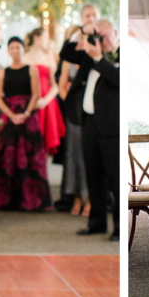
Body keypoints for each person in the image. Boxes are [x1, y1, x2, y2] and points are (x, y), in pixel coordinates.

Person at [62, 18, 120, 241]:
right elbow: (66, 53)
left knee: (114, 178)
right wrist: (80, 32)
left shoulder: (121, 54)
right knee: (93, 175)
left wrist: (98, 57)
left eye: (104, 36)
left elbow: (117, 78)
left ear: (115, 33)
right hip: (88, 123)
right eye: (98, 36)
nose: (101, 41)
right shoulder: (89, 53)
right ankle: (96, 223)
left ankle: (118, 228)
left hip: (111, 127)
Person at [0, 36, 50, 212]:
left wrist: (25, 113)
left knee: (30, 157)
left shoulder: (31, 69)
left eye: (18, 47)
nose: (15, 50)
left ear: (23, 49)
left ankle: (31, 200)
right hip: (9, 118)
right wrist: (10, 115)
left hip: (27, 118)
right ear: (8, 50)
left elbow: (36, 94)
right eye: (12, 48)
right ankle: (6, 200)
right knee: (7, 158)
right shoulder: (3, 71)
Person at [58, 25, 89, 217]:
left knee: (89, 156)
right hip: (72, 111)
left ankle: (91, 199)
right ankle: (76, 196)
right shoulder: (68, 62)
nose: (81, 42)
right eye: (79, 39)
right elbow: (61, 86)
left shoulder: (91, 59)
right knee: (73, 156)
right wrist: (68, 99)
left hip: (91, 112)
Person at [24, 27, 65, 155]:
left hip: (46, 103)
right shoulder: (23, 57)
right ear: (36, 38)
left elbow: (55, 85)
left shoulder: (48, 58)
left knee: (45, 141)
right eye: (45, 37)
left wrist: (45, 100)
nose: (48, 40)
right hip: (28, 102)